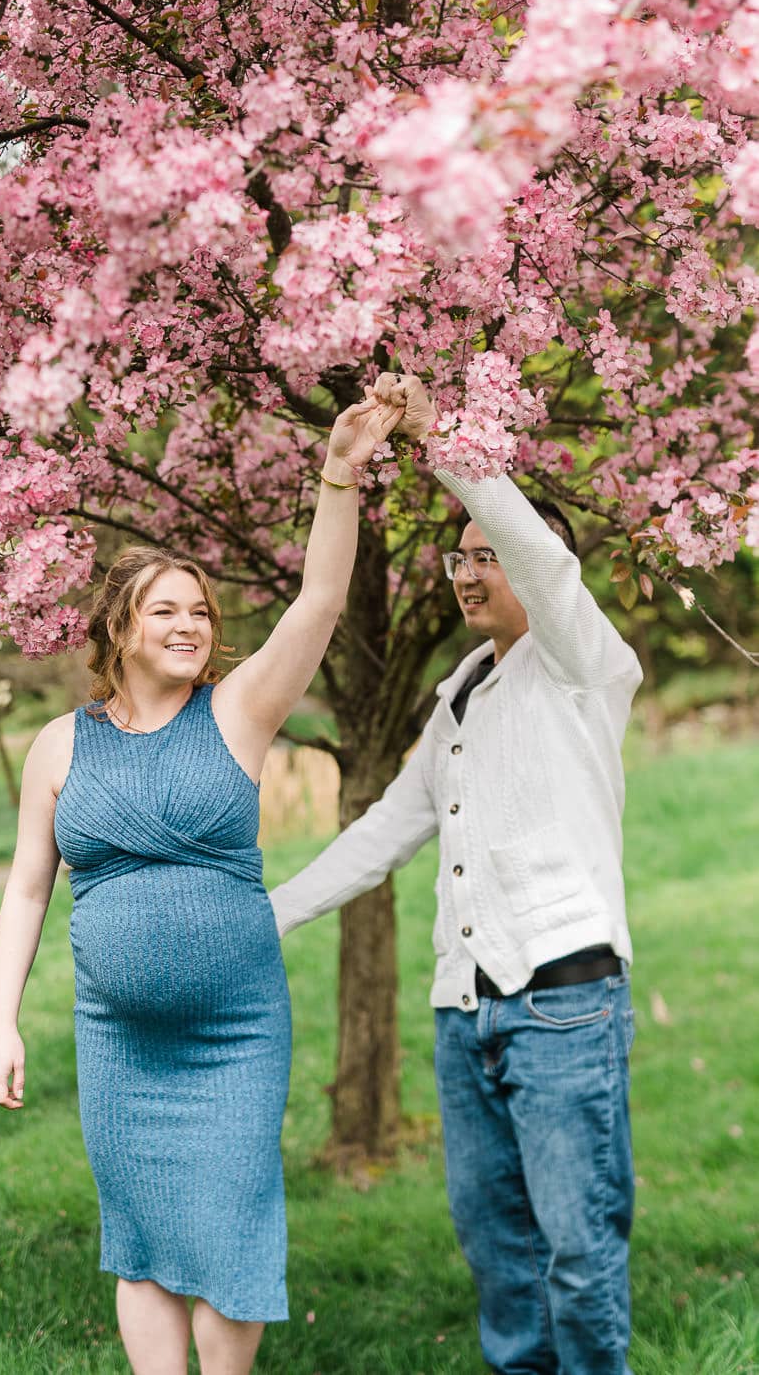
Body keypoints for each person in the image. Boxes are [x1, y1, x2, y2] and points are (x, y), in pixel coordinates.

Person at [0, 394, 401, 1375]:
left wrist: (337, 473)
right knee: (139, 1243)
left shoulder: (239, 712)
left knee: (226, 1237)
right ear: (117, 629)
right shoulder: (58, 746)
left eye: (198, 610)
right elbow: (26, 892)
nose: (187, 625)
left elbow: (319, 603)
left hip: (231, 1032)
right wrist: (1, 1021)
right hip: (116, 1036)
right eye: (163, 609)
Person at [270, 373, 643, 1375]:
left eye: (487, 556)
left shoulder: (582, 663)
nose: (467, 574)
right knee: (499, 1260)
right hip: (463, 1012)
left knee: (575, 1252)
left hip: (562, 1003)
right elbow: (387, 828)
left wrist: (440, 441)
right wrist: (268, 916)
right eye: (457, 559)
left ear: (535, 562)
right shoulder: (458, 692)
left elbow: (529, 546)